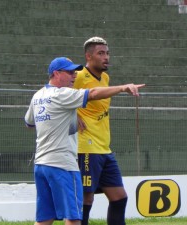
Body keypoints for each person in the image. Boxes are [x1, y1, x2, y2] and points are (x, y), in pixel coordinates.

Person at [24, 56, 144, 225]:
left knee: (44, 219)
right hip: (63, 165)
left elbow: (29, 123)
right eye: (70, 72)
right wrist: (123, 88)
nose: (74, 75)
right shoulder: (62, 94)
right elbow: (93, 93)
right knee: (74, 218)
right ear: (57, 74)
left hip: (41, 165)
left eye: (75, 71)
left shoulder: (38, 95)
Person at [73, 37, 129, 225]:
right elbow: (57, 96)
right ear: (88, 56)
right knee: (86, 199)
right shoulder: (79, 76)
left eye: (107, 53)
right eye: (101, 53)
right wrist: (72, 114)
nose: (106, 57)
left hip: (104, 147)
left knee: (119, 197)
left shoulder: (105, 78)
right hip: (87, 147)